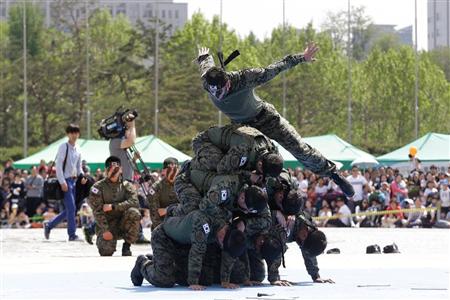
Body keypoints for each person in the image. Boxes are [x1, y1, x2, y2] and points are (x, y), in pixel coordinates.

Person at [196, 44, 354, 199]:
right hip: (244, 129)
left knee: (299, 149)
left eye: (221, 91)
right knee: (247, 161)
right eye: (214, 93)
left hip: (265, 118)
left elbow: (275, 68)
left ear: (228, 83)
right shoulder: (207, 81)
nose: (218, 96)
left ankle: (334, 175)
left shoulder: (245, 78)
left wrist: (301, 57)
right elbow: (206, 63)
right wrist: (204, 56)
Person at [130, 210, 247, 290]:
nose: (221, 245)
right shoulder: (203, 224)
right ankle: (143, 263)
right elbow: (197, 252)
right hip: (165, 237)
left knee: (205, 278)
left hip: (185, 244)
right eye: (221, 244)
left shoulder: (228, 229)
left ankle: (161, 262)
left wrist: (225, 281)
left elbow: (228, 253)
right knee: (165, 279)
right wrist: (193, 282)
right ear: (222, 237)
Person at [87, 156, 141, 256]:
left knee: (134, 213)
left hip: (123, 222)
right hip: (107, 224)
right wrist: (105, 230)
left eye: (116, 169)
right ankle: (105, 239)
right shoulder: (97, 187)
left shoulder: (127, 185)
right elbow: (97, 211)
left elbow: (135, 202)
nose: (114, 172)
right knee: (106, 252)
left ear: (121, 169)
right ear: (106, 170)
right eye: (110, 169)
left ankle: (127, 245)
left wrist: (114, 206)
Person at [44, 124, 86, 241]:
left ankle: (49, 225)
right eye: (72, 132)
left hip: (75, 181)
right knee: (71, 209)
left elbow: (79, 167)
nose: (74, 135)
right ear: (68, 134)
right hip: (66, 181)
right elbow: (58, 166)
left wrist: (82, 176)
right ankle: (72, 235)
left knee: (70, 209)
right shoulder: (64, 147)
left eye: (76, 132)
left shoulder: (78, 148)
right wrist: (62, 182)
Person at [147, 157, 179, 230]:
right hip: (163, 224)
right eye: (169, 170)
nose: (172, 172)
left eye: (175, 170)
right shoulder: (156, 187)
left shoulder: (185, 185)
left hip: (181, 224)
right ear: (163, 171)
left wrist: (168, 209)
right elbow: (154, 213)